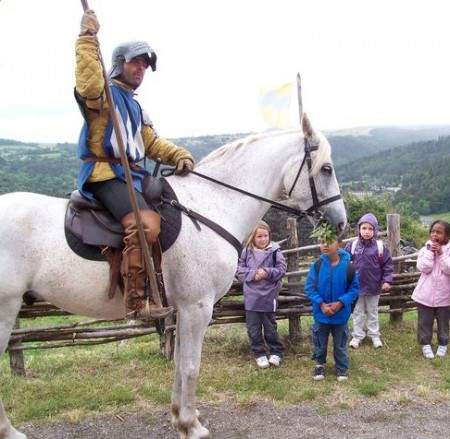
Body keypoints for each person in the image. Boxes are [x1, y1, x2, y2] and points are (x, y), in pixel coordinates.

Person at [75, 10, 195, 320]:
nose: (140, 68)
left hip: (132, 175)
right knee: (145, 223)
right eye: (135, 62)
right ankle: (137, 300)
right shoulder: (104, 95)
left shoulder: (135, 105)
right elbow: (88, 84)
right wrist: (87, 40)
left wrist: (178, 154)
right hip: (105, 173)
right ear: (119, 63)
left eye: (144, 65)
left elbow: (152, 144)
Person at [305, 237, 359, 381]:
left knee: (340, 343)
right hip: (321, 315)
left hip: (340, 315)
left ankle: (342, 368)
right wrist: (321, 304)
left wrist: (340, 303)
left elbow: (354, 289)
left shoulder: (348, 267)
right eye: (322, 241)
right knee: (320, 342)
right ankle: (319, 365)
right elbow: (309, 288)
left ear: (340, 245)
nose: (325, 245)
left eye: (329, 241)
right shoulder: (317, 266)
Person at [236, 221, 287, 369]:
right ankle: (259, 354)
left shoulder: (275, 250)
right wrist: (253, 275)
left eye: (265, 236)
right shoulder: (246, 251)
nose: (263, 239)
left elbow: (282, 268)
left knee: (270, 327)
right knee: (253, 328)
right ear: (253, 237)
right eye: (259, 236)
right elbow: (239, 270)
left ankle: (277, 352)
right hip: (252, 298)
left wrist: (267, 272)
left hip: (269, 296)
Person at [346, 213, 393, 349]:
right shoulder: (352, 246)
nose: (367, 232)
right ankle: (357, 336)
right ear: (359, 229)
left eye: (370, 229)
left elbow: (388, 266)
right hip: (356, 287)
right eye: (364, 228)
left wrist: (387, 281)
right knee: (357, 312)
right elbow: (344, 263)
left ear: (375, 230)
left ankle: (374, 335)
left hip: (374, 286)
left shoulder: (380, 247)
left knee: (373, 312)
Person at [411, 220, 450, 359]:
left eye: (439, 232)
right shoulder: (424, 249)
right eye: (433, 232)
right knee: (424, 321)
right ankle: (425, 344)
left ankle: (443, 344)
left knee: (443, 322)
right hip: (425, 295)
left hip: (445, 296)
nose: (435, 235)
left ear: (447, 236)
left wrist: (441, 254)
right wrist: (430, 253)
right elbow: (424, 268)